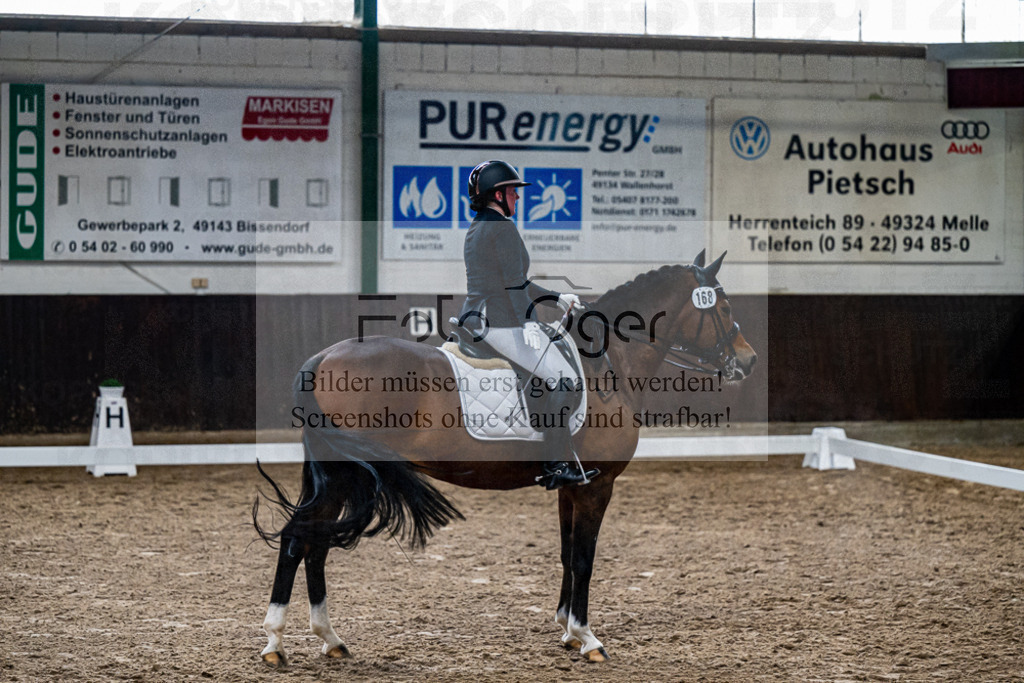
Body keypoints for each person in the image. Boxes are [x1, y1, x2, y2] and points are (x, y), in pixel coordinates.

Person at [457, 159, 596, 490]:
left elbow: (515, 280)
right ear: (498, 194)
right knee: (565, 380)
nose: (518, 199)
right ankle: (555, 465)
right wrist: (528, 322)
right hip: (500, 321)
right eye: (512, 193)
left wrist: (557, 297)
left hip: (480, 315)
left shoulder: (479, 226)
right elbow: (513, 287)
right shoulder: (502, 228)